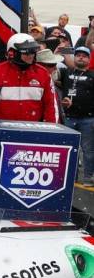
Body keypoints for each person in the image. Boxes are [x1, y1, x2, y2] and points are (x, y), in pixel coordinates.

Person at [0, 33, 58, 123]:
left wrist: (50, 132)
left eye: (33, 51)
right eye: (26, 52)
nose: (31, 55)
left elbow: (51, 108)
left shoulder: (43, 74)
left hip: (33, 133)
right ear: (12, 53)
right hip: (1, 131)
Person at [60, 47, 93, 184]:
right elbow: (50, 68)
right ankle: (70, 178)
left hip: (88, 118)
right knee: (69, 150)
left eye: (84, 56)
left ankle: (88, 177)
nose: (80, 57)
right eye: (78, 55)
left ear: (89, 59)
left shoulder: (92, 75)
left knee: (89, 151)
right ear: (73, 58)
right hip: (69, 117)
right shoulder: (66, 73)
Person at [36, 48, 66, 123]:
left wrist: (60, 103)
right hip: (44, 128)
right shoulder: (35, 86)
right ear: (40, 66)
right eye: (52, 65)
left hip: (55, 127)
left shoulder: (53, 84)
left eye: (55, 64)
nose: (55, 68)